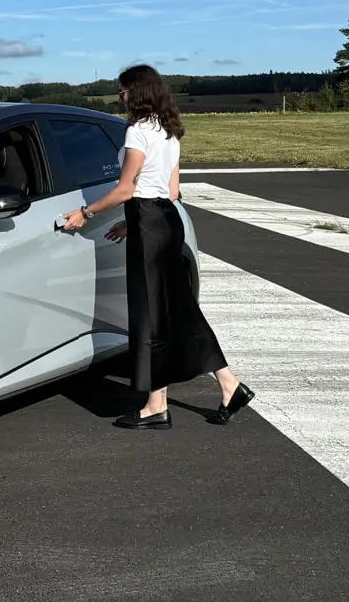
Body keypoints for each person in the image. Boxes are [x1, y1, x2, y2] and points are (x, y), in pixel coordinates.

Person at [60, 64, 254, 429]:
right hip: (166, 222)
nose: (120, 97)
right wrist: (131, 221)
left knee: (150, 315)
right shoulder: (169, 131)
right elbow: (171, 192)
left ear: (138, 92)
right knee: (175, 312)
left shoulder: (136, 132)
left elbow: (126, 188)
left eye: (123, 91)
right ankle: (223, 386)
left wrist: (85, 213)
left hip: (149, 226)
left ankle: (157, 405)